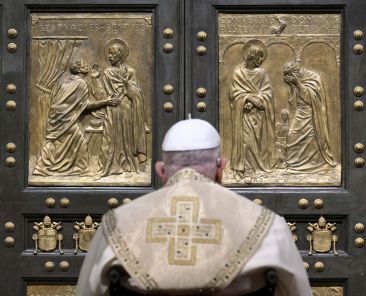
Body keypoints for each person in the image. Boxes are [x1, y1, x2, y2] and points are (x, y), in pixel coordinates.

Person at [76, 118, 312, 296]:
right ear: (221, 168)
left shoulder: (116, 224)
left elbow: (89, 290)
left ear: (161, 171)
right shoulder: (269, 226)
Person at [33, 58, 120, 176]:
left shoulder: (63, 80)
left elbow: (58, 100)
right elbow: (85, 106)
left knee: (59, 142)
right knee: (79, 141)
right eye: (84, 64)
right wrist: (106, 102)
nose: (87, 66)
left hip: (57, 117)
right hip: (66, 119)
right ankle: (79, 169)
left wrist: (94, 79)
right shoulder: (81, 83)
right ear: (80, 69)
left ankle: (43, 167)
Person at [92, 38, 148, 178]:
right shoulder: (106, 73)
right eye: (109, 54)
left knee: (126, 137)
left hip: (127, 109)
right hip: (112, 109)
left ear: (120, 55)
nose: (109, 56)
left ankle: (126, 164)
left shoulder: (130, 72)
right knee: (109, 139)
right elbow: (100, 96)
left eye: (112, 54)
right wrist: (95, 79)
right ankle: (109, 166)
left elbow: (137, 93)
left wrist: (127, 85)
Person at [229, 39, 276, 181]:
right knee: (246, 141)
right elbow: (234, 94)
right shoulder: (238, 74)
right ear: (250, 57)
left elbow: (268, 92)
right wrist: (247, 99)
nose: (261, 60)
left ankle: (257, 168)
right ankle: (245, 169)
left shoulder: (262, 73)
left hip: (258, 115)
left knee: (257, 141)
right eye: (258, 57)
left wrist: (258, 101)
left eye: (262, 57)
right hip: (243, 115)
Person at [282, 62, 336, 173]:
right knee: (292, 135)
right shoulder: (297, 79)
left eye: (290, 75)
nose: (290, 77)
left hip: (311, 114)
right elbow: (293, 101)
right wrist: (292, 85)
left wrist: (297, 83)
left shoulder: (313, 77)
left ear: (296, 72)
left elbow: (311, 98)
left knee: (312, 139)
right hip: (300, 112)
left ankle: (316, 165)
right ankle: (294, 164)